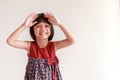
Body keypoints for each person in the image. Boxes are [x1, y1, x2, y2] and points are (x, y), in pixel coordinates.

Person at [7, 12, 75, 80]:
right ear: (32, 29)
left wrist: (59, 24)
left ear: (51, 29)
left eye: (46, 26)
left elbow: (72, 40)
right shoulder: (29, 46)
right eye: (38, 26)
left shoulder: (54, 46)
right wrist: (24, 25)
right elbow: (10, 41)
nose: (43, 29)